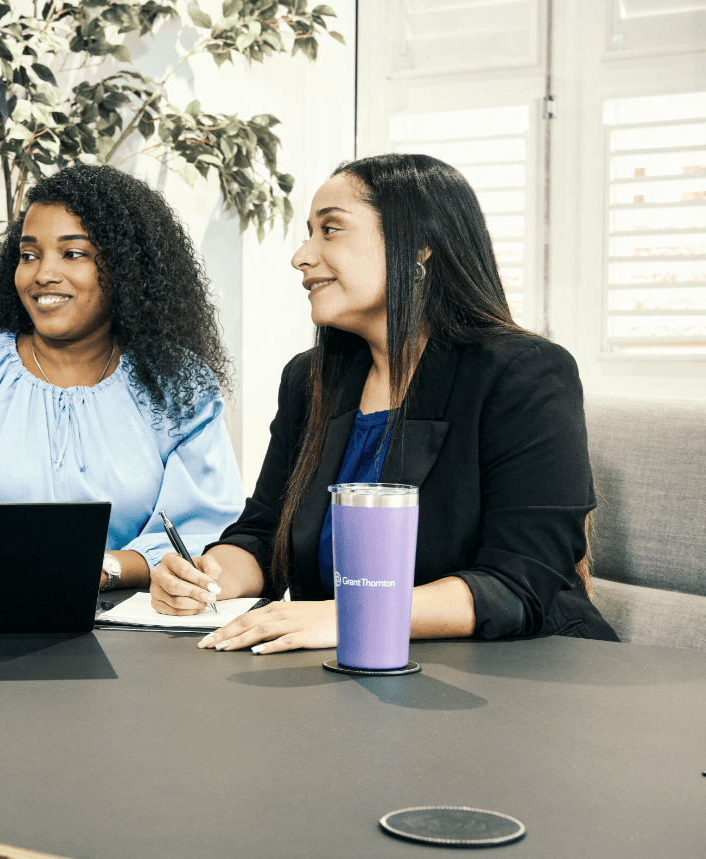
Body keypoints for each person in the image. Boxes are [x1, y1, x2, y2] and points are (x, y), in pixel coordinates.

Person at [151, 152, 617, 650]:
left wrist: (349, 616)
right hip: (349, 668)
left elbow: (519, 582)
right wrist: (208, 577)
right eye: (309, 233)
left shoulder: (524, 373)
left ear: (418, 245)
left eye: (330, 230)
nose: (301, 256)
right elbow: (264, 534)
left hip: (517, 669)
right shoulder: (309, 380)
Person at [0, 165, 243, 591]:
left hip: (140, 618)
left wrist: (102, 569)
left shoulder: (177, 384)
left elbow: (205, 532)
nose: (42, 274)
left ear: (126, 267)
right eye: (29, 255)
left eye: (72, 254)